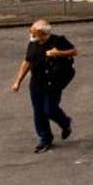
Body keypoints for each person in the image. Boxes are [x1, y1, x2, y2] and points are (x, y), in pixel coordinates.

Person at [9, 18, 78, 153]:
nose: (32, 35)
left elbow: (74, 51)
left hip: (53, 81)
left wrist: (57, 53)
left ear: (43, 33)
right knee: (38, 112)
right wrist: (18, 81)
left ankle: (65, 123)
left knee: (50, 109)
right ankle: (45, 138)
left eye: (34, 32)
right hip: (37, 82)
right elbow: (27, 62)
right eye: (31, 32)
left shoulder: (58, 41)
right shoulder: (33, 44)